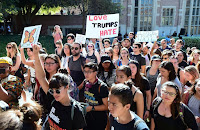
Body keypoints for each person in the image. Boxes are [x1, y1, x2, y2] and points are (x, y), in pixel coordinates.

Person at [33, 44, 86, 129]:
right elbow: (41, 78)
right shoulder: (53, 99)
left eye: (57, 91)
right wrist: (36, 55)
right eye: (52, 91)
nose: (54, 94)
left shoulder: (75, 110)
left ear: (67, 87)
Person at [82, 62, 109, 130]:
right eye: (85, 71)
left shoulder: (102, 86)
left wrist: (92, 108)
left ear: (95, 72)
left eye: (89, 72)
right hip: (87, 118)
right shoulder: (85, 82)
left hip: (98, 119)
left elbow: (106, 106)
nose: (86, 74)